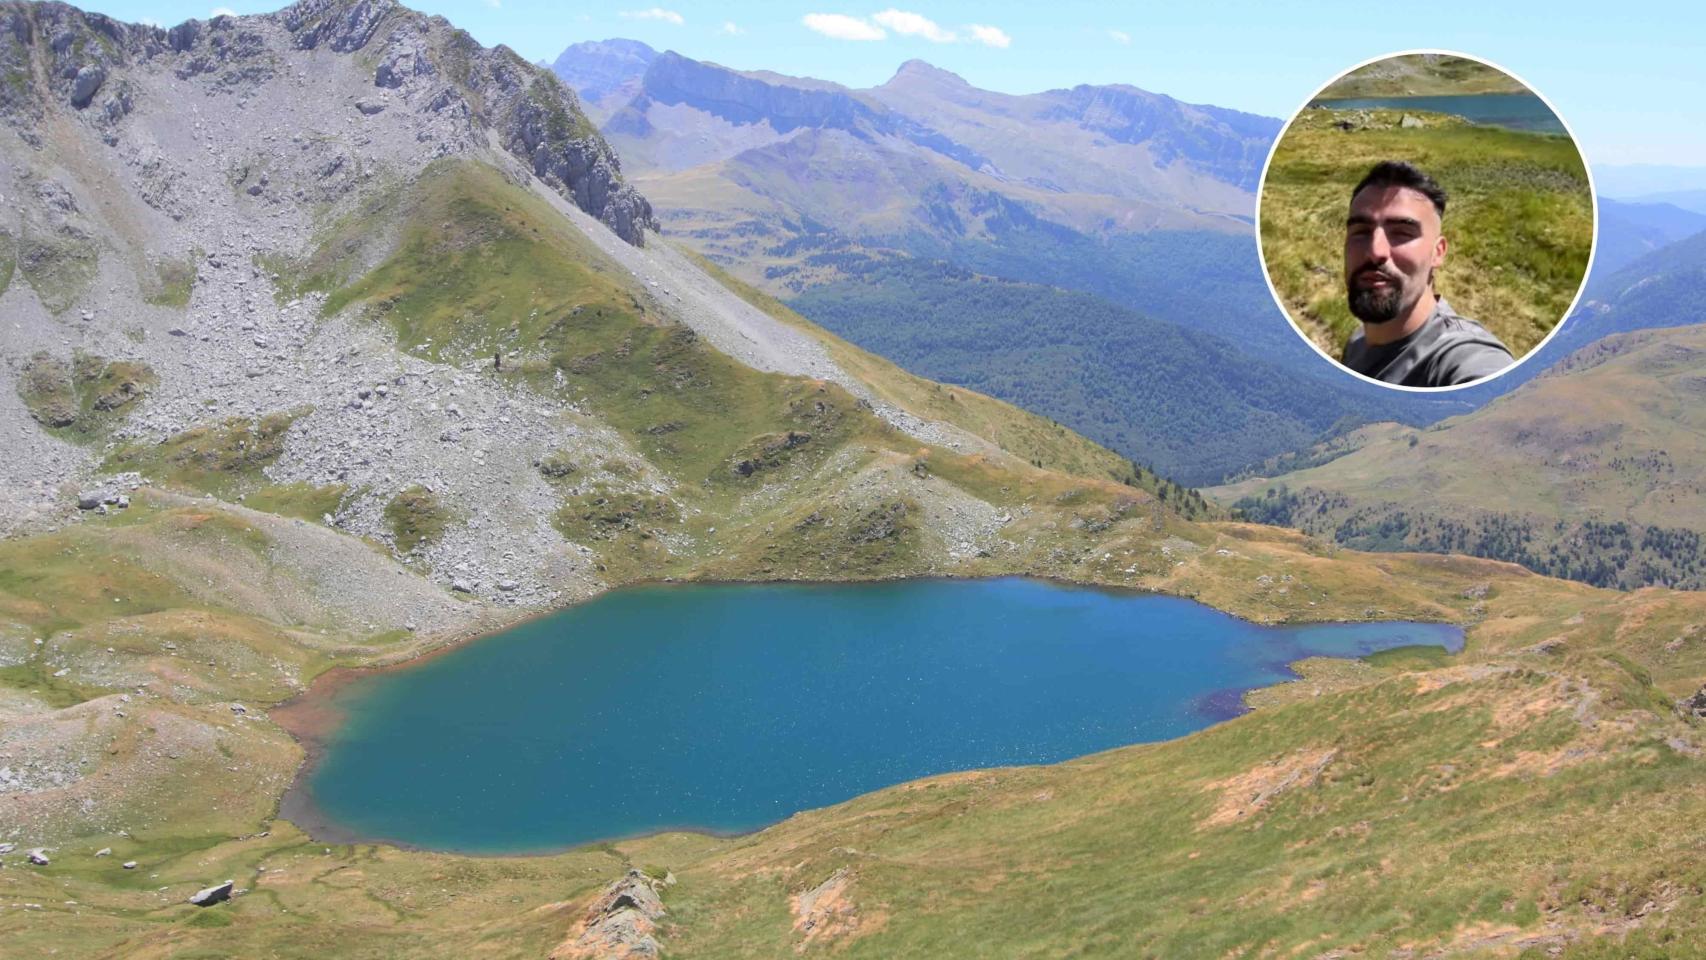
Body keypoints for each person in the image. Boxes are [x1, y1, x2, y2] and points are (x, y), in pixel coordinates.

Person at [1338, 161, 1513, 387]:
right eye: (1361, 232)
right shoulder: (1358, 342)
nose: (1375, 252)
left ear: (1437, 253)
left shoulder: (1459, 358)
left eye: (1402, 233)